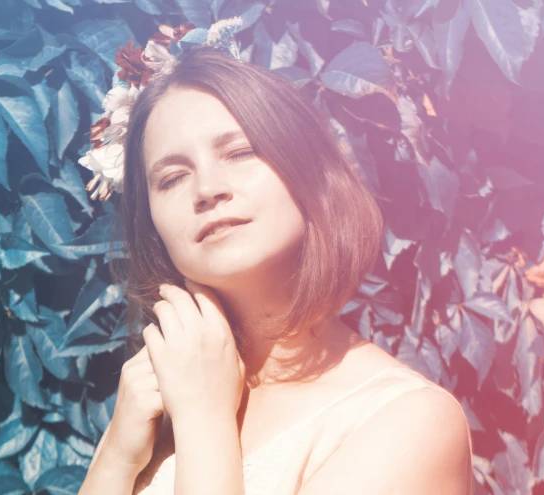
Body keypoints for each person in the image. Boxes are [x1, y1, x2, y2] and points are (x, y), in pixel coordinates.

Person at [76, 25, 473, 495]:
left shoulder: (409, 422)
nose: (207, 190)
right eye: (172, 178)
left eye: (240, 152)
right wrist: (115, 457)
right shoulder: (154, 404)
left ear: (307, 172)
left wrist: (205, 420)